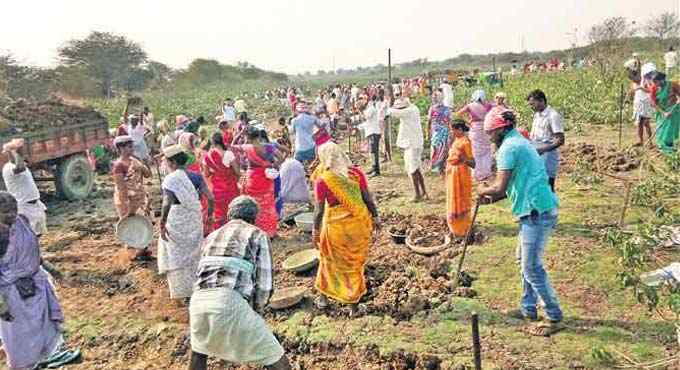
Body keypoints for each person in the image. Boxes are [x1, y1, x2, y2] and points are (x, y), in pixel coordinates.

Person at [477, 109, 563, 337]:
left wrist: (482, 190)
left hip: (536, 211)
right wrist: (491, 197)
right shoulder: (519, 142)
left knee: (531, 266)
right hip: (536, 206)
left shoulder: (509, 148)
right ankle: (528, 308)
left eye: (491, 132)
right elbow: (510, 187)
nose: (489, 137)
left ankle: (553, 315)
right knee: (523, 261)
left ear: (502, 129)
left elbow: (499, 187)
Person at [189, 196, 291, 370]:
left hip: (198, 300)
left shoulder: (212, 235)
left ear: (230, 215)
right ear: (253, 218)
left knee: (199, 352)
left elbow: (200, 272)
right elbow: (265, 285)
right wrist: (256, 312)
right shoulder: (256, 234)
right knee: (276, 358)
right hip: (228, 301)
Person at [0, 192, 81, 370]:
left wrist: (53, 270)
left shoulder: (22, 221)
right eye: (5, 212)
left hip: (36, 286)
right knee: (18, 336)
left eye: (13, 210)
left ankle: (42, 360)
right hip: (11, 294)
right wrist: (1, 304)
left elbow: (34, 252)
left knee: (43, 327)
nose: (11, 215)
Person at [312, 142, 379, 307]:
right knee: (353, 266)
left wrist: (315, 230)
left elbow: (319, 211)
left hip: (336, 228)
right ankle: (353, 307)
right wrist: (376, 217)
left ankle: (323, 298)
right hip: (357, 225)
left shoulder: (323, 180)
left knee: (328, 261)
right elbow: (367, 198)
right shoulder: (356, 174)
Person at [158, 145, 213, 300]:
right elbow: (210, 198)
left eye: (167, 162)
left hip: (176, 220)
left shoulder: (171, 179)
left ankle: (183, 292)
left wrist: (162, 223)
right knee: (195, 253)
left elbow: (166, 203)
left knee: (176, 255)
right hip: (194, 219)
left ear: (173, 162)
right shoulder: (196, 176)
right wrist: (209, 216)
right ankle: (199, 286)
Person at [233, 128, 280, 237]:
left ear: (248, 138)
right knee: (268, 205)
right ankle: (270, 232)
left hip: (253, 179)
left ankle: (256, 231)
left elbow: (231, 146)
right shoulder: (268, 147)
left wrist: (239, 134)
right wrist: (273, 166)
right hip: (266, 178)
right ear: (259, 136)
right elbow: (281, 157)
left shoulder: (247, 147)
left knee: (254, 204)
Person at [112, 135, 153, 260]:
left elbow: (148, 175)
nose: (132, 148)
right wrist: (126, 206)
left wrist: (142, 166)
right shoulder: (119, 165)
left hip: (140, 198)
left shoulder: (135, 161)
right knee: (131, 225)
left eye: (131, 146)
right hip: (128, 200)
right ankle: (135, 252)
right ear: (121, 148)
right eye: (129, 146)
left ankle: (143, 249)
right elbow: (121, 187)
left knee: (144, 223)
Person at [1, 139, 47, 237]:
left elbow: (21, 165)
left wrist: (18, 151)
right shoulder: (8, 168)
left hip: (35, 204)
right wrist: (15, 151)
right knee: (28, 235)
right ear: (9, 154)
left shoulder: (20, 165)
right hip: (24, 207)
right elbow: (20, 167)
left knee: (37, 235)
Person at [388, 98, 428, 201]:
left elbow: (392, 112)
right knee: (416, 168)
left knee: (413, 169)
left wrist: (387, 106)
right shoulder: (413, 108)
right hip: (413, 143)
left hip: (413, 144)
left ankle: (418, 194)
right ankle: (423, 192)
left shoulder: (409, 111)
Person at [527, 90, 565, 192]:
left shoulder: (552, 116)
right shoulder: (537, 114)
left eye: (533, 104)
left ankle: (551, 207)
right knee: (536, 185)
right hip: (536, 153)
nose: (531, 107)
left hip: (547, 155)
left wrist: (542, 150)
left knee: (547, 185)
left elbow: (560, 140)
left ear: (541, 101)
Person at [202, 133, 241, 231]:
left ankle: (220, 232)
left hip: (217, 190)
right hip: (231, 189)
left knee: (219, 214)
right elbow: (237, 172)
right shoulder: (228, 154)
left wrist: (215, 172)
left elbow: (206, 174)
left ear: (212, 143)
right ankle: (233, 230)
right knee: (232, 210)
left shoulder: (207, 157)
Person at [446, 120, 475, 237]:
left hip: (461, 174)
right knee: (453, 198)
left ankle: (462, 228)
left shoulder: (466, 142)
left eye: (453, 129)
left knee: (461, 199)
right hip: (452, 175)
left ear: (460, 129)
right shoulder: (456, 140)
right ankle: (454, 227)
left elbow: (473, 163)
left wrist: (462, 158)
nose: (452, 132)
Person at [456, 90, 493, 181]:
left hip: (475, 129)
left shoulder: (470, 106)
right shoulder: (488, 105)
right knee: (487, 150)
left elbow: (458, 113)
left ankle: (477, 173)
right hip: (485, 128)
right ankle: (486, 172)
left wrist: (467, 121)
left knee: (476, 151)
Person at [650, 71, 680, 154]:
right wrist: (663, 113)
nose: (655, 84)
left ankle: (671, 148)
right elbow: (653, 103)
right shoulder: (653, 88)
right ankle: (662, 148)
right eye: (653, 82)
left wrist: (678, 100)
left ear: (662, 80)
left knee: (670, 131)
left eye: (656, 82)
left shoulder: (672, 85)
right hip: (661, 112)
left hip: (673, 111)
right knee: (661, 130)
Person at [625, 60, 654, 146]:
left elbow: (650, 90)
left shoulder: (644, 78)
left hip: (645, 102)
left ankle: (649, 141)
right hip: (638, 102)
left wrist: (641, 88)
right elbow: (632, 90)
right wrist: (627, 97)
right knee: (640, 123)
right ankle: (641, 140)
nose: (628, 72)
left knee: (645, 123)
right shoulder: (633, 79)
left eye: (628, 69)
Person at [428, 91, 452, 175]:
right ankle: (437, 166)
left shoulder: (435, 109)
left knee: (440, 148)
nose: (434, 99)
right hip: (440, 131)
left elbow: (429, 121)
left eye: (435, 97)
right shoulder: (446, 109)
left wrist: (428, 132)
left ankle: (439, 167)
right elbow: (429, 121)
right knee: (439, 148)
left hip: (440, 131)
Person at [361, 95, 382, 177]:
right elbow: (366, 122)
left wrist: (360, 110)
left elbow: (366, 117)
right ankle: (374, 168)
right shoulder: (369, 109)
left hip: (374, 133)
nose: (362, 101)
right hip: (371, 132)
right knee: (372, 152)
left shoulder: (371, 109)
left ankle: (376, 170)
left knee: (374, 152)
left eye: (363, 99)